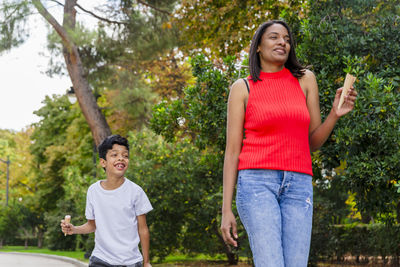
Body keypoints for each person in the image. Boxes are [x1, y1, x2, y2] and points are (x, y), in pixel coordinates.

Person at [220, 20, 357, 267]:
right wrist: (226, 209)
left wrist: (335, 114)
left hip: (299, 185)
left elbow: (312, 142)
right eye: (274, 37)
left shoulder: (305, 80)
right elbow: (231, 153)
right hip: (256, 184)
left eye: (286, 38)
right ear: (258, 46)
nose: (282, 42)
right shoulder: (242, 88)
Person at [61, 135, 153, 267]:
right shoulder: (93, 191)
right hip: (101, 260)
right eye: (114, 155)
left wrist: (147, 262)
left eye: (125, 155)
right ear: (103, 162)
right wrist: (73, 229)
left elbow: (143, 229)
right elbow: (92, 225)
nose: (121, 158)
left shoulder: (136, 192)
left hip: (130, 262)